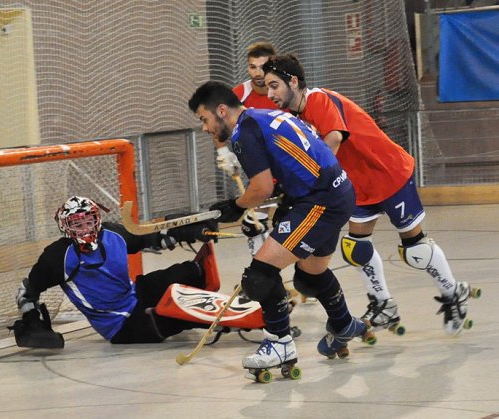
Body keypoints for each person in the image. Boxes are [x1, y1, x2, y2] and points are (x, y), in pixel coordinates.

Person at [263, 54, 472, 336]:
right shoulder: (295, 116)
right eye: (267, 87)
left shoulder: (318, 100)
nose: (270, 93)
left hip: (389, 173)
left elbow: (334, 138)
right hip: (359, 185)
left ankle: (453, 292)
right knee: (356, 249)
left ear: (294, 81)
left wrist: (312, 182)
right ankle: (384, 303)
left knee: (416, 250)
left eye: (275, 85)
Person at [188, 81, 372, 372]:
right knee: (310, 277)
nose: (204, 127)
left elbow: (260, 189)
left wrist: (235, 207)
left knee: (259, 276)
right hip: (336, 191)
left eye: (204, 119)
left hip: (320, 202)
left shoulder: (245, 132)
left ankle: (279, 344)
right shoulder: (262, 116)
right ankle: (344, 324)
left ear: (222, 110)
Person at [14, 196, 219, 345]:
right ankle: (226, 320)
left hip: (134, 295)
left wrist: (185, 232)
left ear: (97, 218)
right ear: (65, 227)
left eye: (88, 220)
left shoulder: (113, 233)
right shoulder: (58, 256)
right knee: (174, 315)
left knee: (190, 272)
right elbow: (27, 289)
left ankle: (222, 305)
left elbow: (151, 239)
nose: (85, 228)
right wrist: (31, 319)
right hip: (120, 325)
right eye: (77, 223)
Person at [215, 42, 280, 256]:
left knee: (289, 227)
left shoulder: (282, 90)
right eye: (253, 67)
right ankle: (262, 280)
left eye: (263, 66)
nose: (258, 72)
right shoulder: (238, 95)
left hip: (289, 166)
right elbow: (217, 124)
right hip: (261, 170)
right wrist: (224, 152)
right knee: (253, 226)